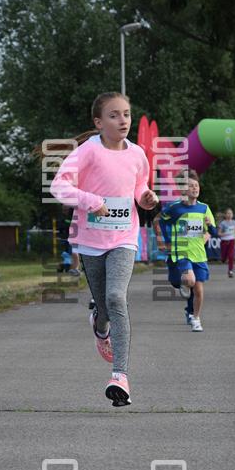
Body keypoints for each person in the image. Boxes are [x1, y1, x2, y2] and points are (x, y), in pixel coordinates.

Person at [50, 91, 158, 406]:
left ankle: (120, 376)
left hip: (124, 238)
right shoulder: (88, 151)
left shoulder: (137, 153)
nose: (122, 120)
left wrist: (146, 198)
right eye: (114, 115)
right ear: (99, 122)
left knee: (116, 297)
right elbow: (59, 186)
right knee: (104, 304)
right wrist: (91, 201)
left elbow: (139, 186)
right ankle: (100, 326)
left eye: (126, 114)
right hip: (91, 241)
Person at [155, 170, 217, 332]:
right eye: (191, 186)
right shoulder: (174, 208)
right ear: (183, 189)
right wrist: (166, 240)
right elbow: (161, 221)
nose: (195, 188)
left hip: (199, 254)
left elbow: (214, 232)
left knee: (199, 289)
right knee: (189, 280)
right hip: (181, 251)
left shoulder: (204, 208)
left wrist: (209, 226)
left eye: (196, 185)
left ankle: (195, 318)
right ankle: (184, 284)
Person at [218, 208, 235, 277]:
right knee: (223, 257)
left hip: (232, 240)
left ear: (232, 215)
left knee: (231, 256)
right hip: (224, 241)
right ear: (225, 215)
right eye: (228, 213)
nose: (229, 215)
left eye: (231, 213)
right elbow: (219, 233)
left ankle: (230, 271)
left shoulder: (234, 222)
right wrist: (225, 233)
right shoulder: (223, 223)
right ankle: (223, 259)